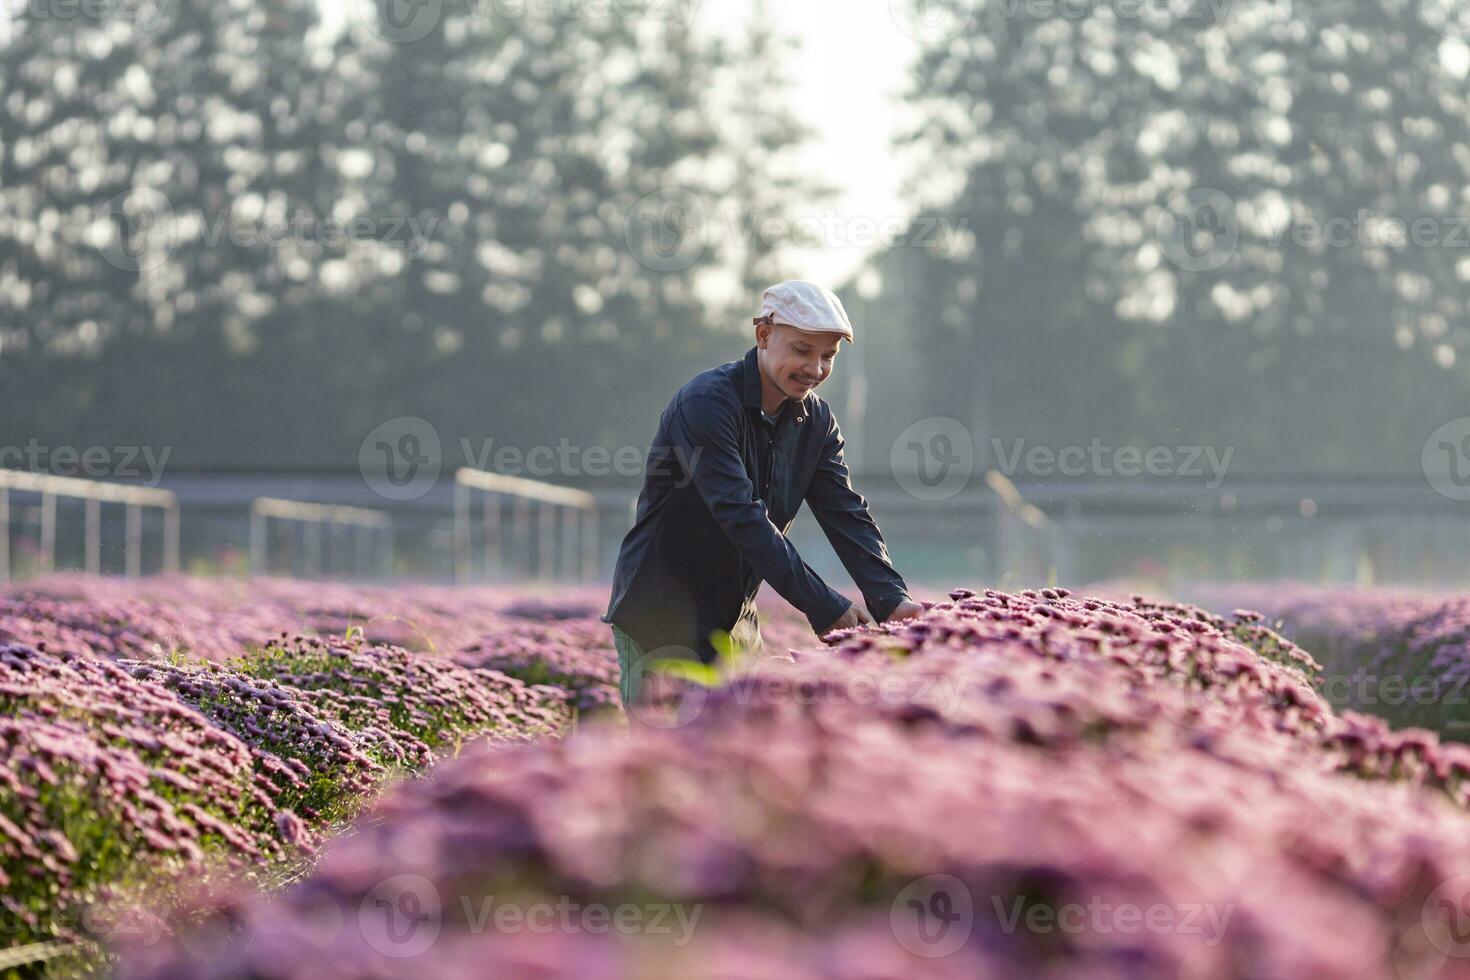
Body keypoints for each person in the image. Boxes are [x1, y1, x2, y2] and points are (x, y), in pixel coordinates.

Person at [602, 279, 925, 707]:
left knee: (737, 754)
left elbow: (845, 512)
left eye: (828, 356)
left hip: (736, 618)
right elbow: (741, 515)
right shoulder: (706, 405)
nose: (815, 368)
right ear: (763, 336)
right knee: (663, 758)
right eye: (802, 350)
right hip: (661, 615)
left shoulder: (817, 422)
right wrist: (824, 606)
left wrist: (891, 598)